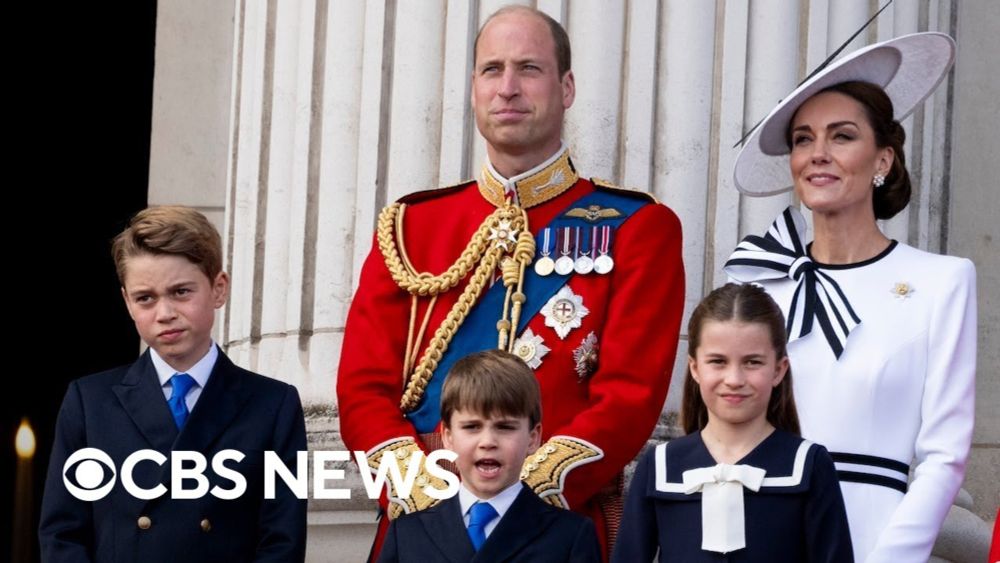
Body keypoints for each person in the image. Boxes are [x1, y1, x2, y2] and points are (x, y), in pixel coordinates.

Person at [337, 5, 685, 559]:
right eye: (491, 70)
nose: (508, 88)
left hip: (555, 527)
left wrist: (524, 492)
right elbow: (362, 389)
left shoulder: (637, 228)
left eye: (529, 68)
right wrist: (424, 492)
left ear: (566, 87)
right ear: (474, 89)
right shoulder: (411, 226)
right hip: (422, 523)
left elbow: (631, 395)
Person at [724, 32, 975, 562]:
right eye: (802, 139)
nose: (818, 154)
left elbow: (944, 455)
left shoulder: (943, 281)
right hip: (759, 535)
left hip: (877, 537)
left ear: (882, 159)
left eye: (841, 137)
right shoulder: (755, 282)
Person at [39, 206, 308, 562]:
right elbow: (62, 536)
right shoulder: (89, 403)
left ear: (218, 288)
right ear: (127, 303)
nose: (164, 313)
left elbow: (282, 542)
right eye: (145, 298)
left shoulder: (274, 405)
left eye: (181, 292)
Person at [612, 283, 853, 562]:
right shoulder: (661, 465)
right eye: (717, 361)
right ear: (695, 368)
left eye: (752, 362)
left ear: (778, 369)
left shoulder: (808, 464)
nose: (735, 379)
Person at [378, 349, 602, 562]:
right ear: (448, 437)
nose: (487, 442)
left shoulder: (570, 536)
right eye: (472, 427)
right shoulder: (407, 534)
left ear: (533, 438)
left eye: (505, 427)